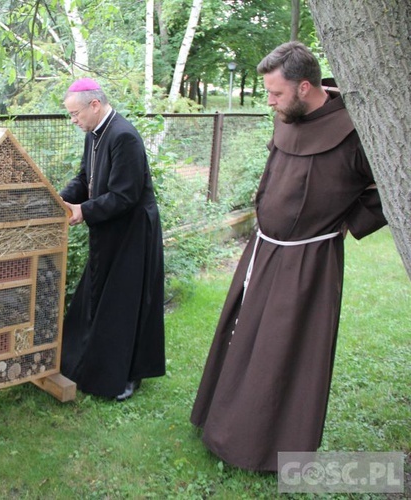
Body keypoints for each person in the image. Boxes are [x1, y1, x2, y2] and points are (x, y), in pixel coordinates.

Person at [190, 42, 387, 471]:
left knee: (284, 351)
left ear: (303, 87)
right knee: (241, 338)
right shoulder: (287, 115)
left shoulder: (354, 131)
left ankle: (264, 447)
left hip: (308, 263)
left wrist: (348, 222)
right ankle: (220, 421)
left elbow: (387, 190)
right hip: (263, 251)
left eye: (276, 94)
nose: (270, 101)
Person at [59, 78, 166, 402]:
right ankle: (83, 365)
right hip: (109, 229)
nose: (74, 121)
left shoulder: (124, 136)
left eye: (76, 114)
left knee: (125, 306)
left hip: (133, 234)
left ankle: (127, 376)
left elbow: (125, 195)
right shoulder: (94, 133)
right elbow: (84, 177)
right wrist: (59, 200)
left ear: (95, 105)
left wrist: (82, 211)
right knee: (96, 299)